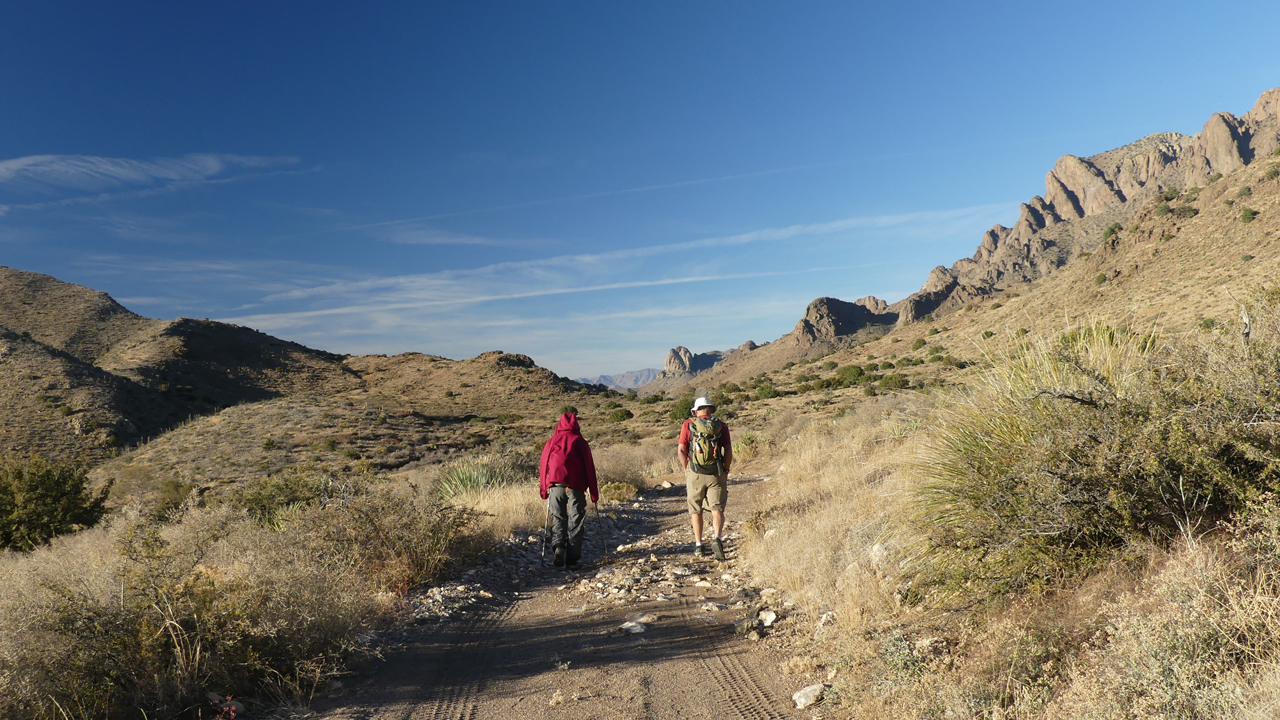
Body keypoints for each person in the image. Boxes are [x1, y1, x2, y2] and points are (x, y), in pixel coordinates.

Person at [539, 412, 599, 570]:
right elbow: (589, 468)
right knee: (576, 521)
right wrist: (594, 494)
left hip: (555, 487)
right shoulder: (581, 442)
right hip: (575, 487)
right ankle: (572, 560)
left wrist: (544, 490)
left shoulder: (552, 441)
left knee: (558, 517)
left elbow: (544, 465)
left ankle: (558, 546)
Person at [678, 397, 732, 560]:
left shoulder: (688, 424)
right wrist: (726, 470)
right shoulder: (720, 425)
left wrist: (686, 469)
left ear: (696, 411)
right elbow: (728, 450)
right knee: (717, 509)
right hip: (716, 472)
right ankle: (717, 538)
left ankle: (699, 545)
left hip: (695, 472)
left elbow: (681, 450)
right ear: (711, 409)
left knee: (696, 510)